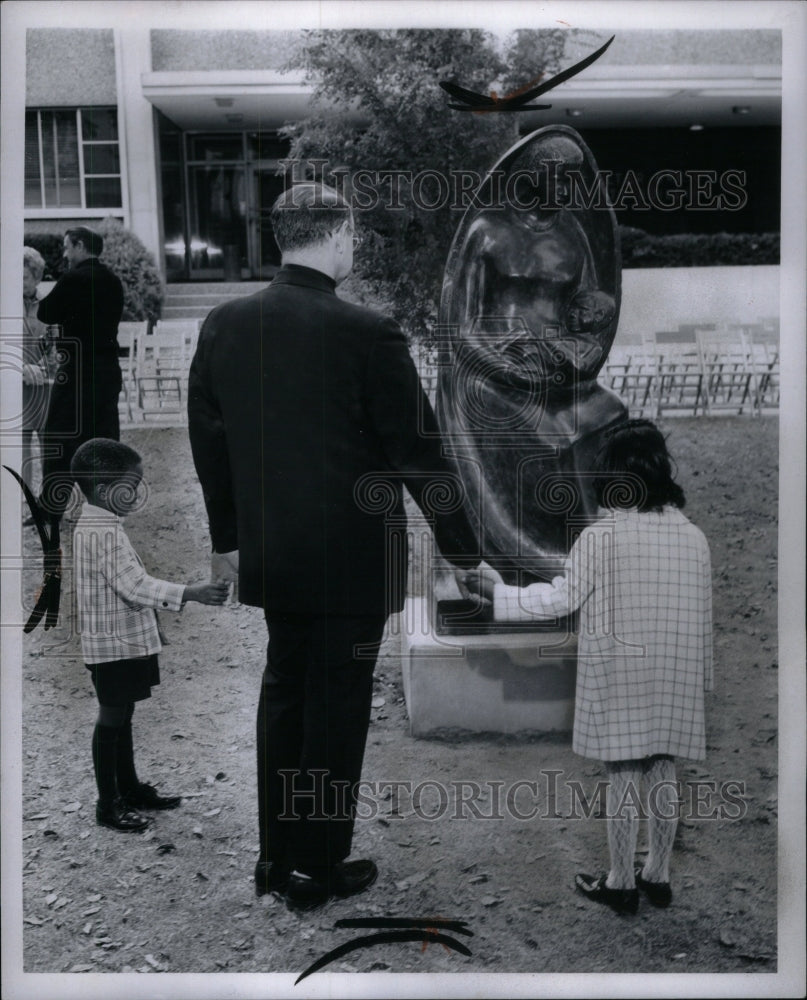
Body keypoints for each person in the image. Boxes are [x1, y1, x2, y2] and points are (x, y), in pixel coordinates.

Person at [188, 182, 479, 908]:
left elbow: (208, 445)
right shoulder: (367, 333)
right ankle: (317, 868)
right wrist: (463, 550)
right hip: (351, 560)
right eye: (354, 235)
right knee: (336, 708)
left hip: (274, 555)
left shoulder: (223, 324)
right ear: (340, 233)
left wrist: (228, 540)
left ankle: (274, 858)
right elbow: (420, 454)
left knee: (285, 694)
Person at [465, 420, 713, 914]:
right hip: (677, 674)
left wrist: (498, 596)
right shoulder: (695, 539)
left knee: (624, 771)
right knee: (664, 770)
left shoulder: (602, 538)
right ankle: (657, 876)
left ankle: (620, 881)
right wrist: (701, 682)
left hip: (622, 675)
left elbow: (560, 600)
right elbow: (704, 617)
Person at [71, 438, 230, 833]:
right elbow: (134, 587)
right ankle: (108, 805)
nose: (138, 493)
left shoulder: (101, 522)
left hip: (120, 642)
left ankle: (128, 788)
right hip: (111, 648)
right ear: (108, 491)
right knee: (112, 719)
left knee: (123, 714)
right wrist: (190, 593)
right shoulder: (99, 531)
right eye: (133, 485)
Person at [37, 227, 124, 523]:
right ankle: (108, 506)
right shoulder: (113, 281)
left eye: (67, 247)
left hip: (77, 371)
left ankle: (51, 508)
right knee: (104, 437)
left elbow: (45, 313)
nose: (64, 253)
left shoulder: (73, 279)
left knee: (60, 437)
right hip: (107, 371)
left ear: (80, 245)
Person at [22, 246, 56, 492]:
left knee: (48, 447)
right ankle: (23, 502)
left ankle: (47, 503)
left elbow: (58, 345)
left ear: (36, 277)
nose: (18, 282)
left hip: (44, 386)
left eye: (23, 277)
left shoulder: (49, 305)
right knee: (20, 450)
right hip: (15, 388)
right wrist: (20, 368)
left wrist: (44, 365)